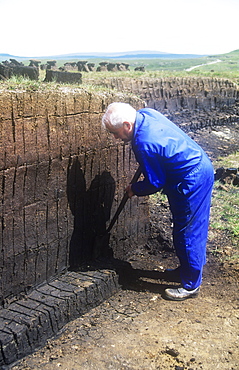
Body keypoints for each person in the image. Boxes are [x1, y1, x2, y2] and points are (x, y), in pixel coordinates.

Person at [102, 102, 214, 301]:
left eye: (116, 132)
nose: (115, 138)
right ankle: (187, 269)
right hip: (198, 165)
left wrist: (135, 189)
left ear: (127, 125)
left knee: (187, 232)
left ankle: (190, 284)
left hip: (191, 179)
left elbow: (155, 182)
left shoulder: (144, 143)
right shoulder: (145, 114)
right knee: (189, 228)